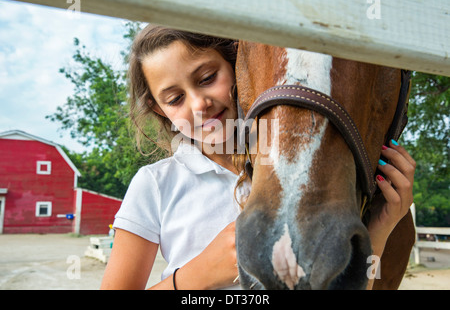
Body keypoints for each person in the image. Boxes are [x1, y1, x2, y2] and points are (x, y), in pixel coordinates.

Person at [100, 25, 416, 290]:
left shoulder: (297, 173)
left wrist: (379, 232)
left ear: (240, 67)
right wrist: (199, 274)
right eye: (175, 98)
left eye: (208, 78)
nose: (199, 104)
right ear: (160, 110)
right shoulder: (155, 183)